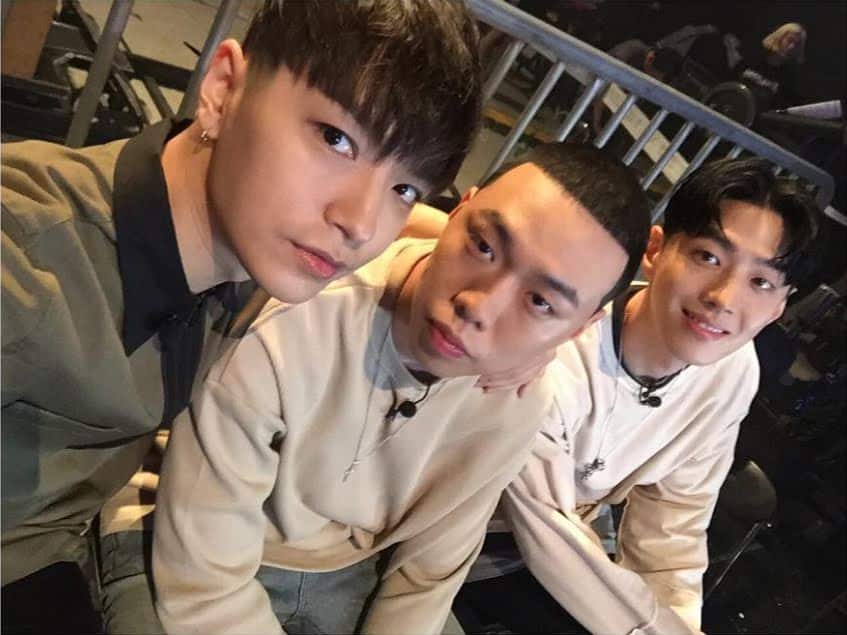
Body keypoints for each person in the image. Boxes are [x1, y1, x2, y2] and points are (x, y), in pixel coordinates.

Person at [1, 1, 482, 632]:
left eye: (404, 188)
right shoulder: (25, 258)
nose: (360, 223)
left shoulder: (254, 252)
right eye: (335, 139)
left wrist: (518, 289)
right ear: (224, 88)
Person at [151, 143, 652, 635]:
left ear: (579, 328)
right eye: (483, 247)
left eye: (540, 302)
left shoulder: (517, 400)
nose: (480, 305)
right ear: (457, 212)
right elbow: (202, 581)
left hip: (348, 571)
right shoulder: (301, 319)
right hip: (190, 539)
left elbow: (427, 575)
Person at [489, 157, 820, 635]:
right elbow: (544, 522)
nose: (724, 297)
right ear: (656, 249)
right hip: (472, 534)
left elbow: (674, 524)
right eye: (708, 257)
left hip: (568, 553)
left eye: (760, 282)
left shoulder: (732, 370)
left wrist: (680, 620)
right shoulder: (564, 341)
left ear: (777, 309)